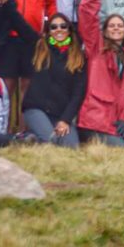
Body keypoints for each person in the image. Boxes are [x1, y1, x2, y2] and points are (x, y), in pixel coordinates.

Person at [75, 0, 124, 149]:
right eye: (111, 25)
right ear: (105, 31)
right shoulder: (95, 49)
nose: (116, 28)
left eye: (120, 26)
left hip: (121, 119)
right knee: (121, 150)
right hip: (96, 119)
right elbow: (87, 20)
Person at [22, 13, 87, 148]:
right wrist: (7, 3)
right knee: (51, 141)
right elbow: (21, 26)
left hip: (60, 114)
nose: (59, 29)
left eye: (63, 26)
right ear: (48, 31)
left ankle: (33, 137)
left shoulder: (78, 57)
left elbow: (78, 95)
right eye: (53, 27)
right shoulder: (39, 47)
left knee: (72, 147)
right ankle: (27, 138)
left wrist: (65, 120)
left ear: (69, 30)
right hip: (36, 108)